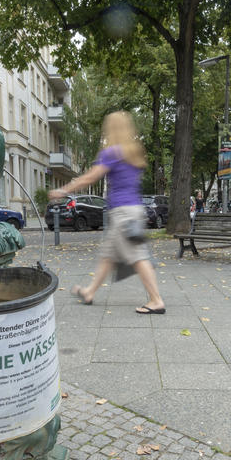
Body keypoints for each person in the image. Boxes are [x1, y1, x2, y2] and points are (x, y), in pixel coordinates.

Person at [48, 111, 166, 315]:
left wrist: (63, 190)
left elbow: (89, 178)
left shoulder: (112, 153)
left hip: (123, 214)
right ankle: (89, 292)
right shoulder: (133, 153)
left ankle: (156, 300)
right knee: (108, 256)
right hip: (132, 210)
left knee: (138, 256)